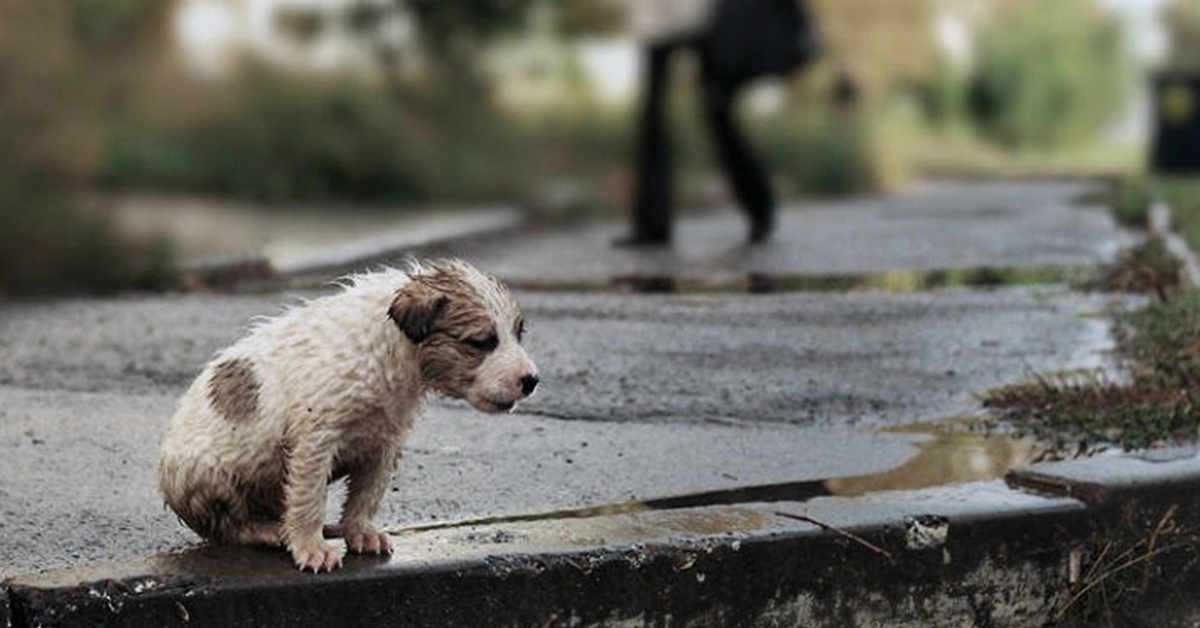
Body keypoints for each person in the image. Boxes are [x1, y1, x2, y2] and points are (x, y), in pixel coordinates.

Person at [617, 0, 780, 247]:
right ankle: (652, 223)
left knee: (715, 110)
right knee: (655, 117)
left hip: (705, 14)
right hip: (657, 16)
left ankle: (759, 205)